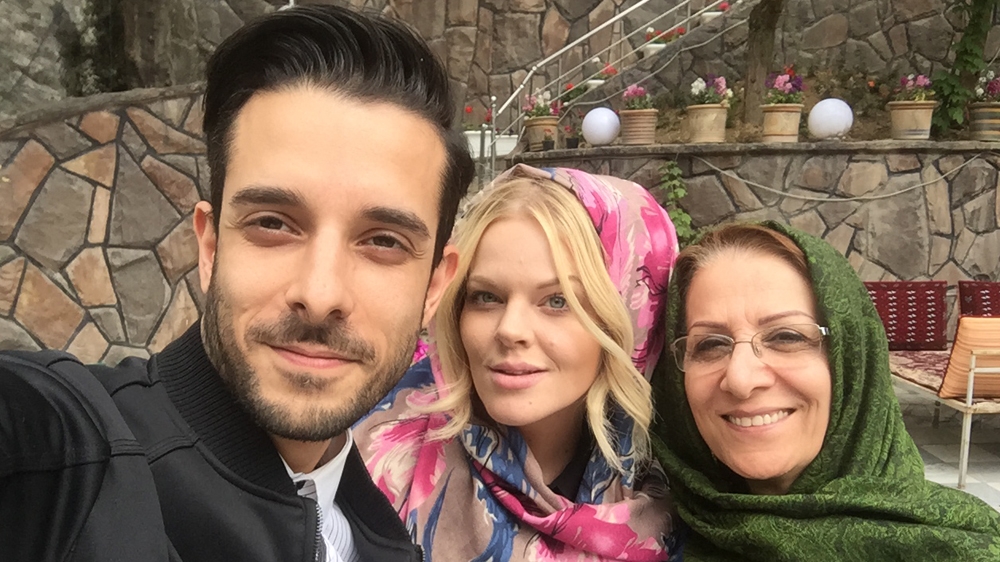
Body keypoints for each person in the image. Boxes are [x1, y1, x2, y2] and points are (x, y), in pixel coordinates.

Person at [0, 5, 474, 562]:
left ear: (435, 286)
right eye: (273, 223)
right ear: (210, 248)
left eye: (384, 241)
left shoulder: (390, 545)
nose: (320, 295)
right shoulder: (68, 460)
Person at [355, 164, 681, 561]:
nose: (510, 330)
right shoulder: (365, 465)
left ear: (632, 319)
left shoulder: (685, 486)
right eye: (486, 297)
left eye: (558, 301)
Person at [651, 222, 1000, 561]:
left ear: (852, 361)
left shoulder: (958, 545)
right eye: (711, 344)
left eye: (786, 336)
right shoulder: (641, 533)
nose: (740, 379)